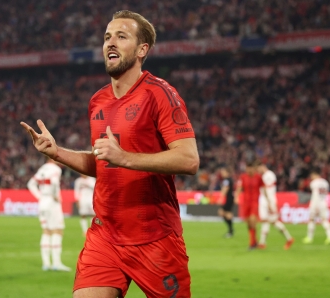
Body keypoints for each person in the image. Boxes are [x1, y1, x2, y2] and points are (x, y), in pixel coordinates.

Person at [21, 10, 199, 298]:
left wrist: (124, 157)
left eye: (121, 36)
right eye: (107, 37)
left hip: (154, 237)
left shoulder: (161, 94)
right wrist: (57, 153)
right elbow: (104, 162)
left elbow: (189, 160)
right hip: (105, 234)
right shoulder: (97, 101)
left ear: (143, 50)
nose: (110, 42)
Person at [27, 159, 70, 272]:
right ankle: (56, 263)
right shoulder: (56, 169)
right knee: (58, 230)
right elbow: (55, 182)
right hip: (52, 202)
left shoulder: (42, 169)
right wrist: (56, 195)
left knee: (46, 231)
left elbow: (30, 184)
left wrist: (40, 197)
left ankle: (46, 264)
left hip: (43, 202)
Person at [257, 163, 294, 250]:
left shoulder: (268, 175)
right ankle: (262, 243)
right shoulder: (267, 175)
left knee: (270, 221)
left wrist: (269, 202)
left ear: (262, 166)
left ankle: (288, 239)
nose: (258, 170)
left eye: (258, 168)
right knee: (270, 221)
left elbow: (265, 188)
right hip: (266, 200)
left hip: (268, 201)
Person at [235, 161, 262, 250]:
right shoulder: (243, 177)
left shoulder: (258, 177)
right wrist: (237, 197)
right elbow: (239, 187)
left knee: (253, 220)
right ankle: (255, 241)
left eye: (251, 168)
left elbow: (263, 188)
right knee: (249, 223)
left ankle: (251, 243)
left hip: (255, 202)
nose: (249, 170)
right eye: (248, 168)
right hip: (246, 203)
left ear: (253, 169)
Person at [303, 168, 330, 245]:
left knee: (311, 220)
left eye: (312, 176)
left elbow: (315, 194)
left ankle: (309, 238)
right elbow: (326, 193)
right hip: (323, 202)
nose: (311, 177)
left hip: (316, 204)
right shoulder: (325, 182)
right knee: (324, 220)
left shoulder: (314, 183)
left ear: (315, 175)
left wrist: (316, 206)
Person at [217, 167, 235, 238]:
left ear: (227, 172)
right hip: (230, 198)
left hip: (229, 199)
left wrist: (221, 198)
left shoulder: (227, 180)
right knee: (224, 213)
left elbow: (225, 189)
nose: (222, 173)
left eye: (223, 172)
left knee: (224, 213)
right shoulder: (229, 180)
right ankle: (230, 230)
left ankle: (231, 231)